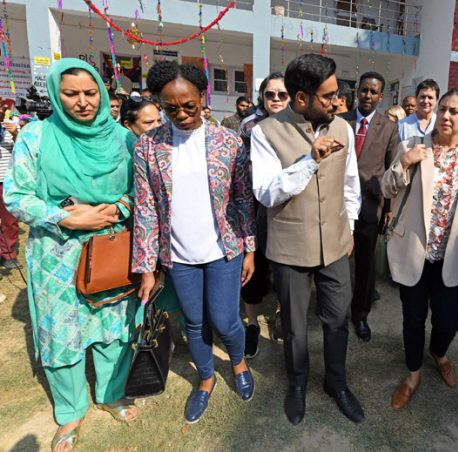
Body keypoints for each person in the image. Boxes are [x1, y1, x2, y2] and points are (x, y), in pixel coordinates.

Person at [4, 58, 139, 452]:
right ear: (56, 96)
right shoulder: (37, 136)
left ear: (102, 92)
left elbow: (141, 191)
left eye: (90, 93)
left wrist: (118, 210)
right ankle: (70, 411)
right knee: (61, 333)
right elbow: (16, 195)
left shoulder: (122, 139)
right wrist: (65, 217)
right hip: (56, 252)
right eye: (71, 94)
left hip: (111, 248)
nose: (82, 102)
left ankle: (112, 393)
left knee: (113, 324)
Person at [131, 61, 256, 424]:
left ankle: (237, 362)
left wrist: (249, 247)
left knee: (225, 319)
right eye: (171, 108)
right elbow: (145, 208)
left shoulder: (229, 141)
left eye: (189, 105)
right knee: (195, 322)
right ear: (160, 105)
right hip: (178, 255)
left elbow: (243, 198)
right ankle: (205, 377)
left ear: (203, 97)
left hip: (224, 250)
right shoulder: (148, 148)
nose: (182, 114)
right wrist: (147, 269)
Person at [250, 53, 363, 425]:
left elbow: (350, 185)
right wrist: (307, 161)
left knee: (336, 320)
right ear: (302, 98)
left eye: (337, 94)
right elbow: (266, 192)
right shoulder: (264, 133)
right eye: (328, 96)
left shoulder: (342, 128)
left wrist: (349, 226)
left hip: (334, 245)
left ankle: (337, 383)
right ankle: (297, 384)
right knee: (296, 327)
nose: (337, 102)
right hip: (288, 250)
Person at [382, 88, 458, 409]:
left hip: (452, 258)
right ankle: (413, 373)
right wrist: (403, 163)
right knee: (412, 319)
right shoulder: (413, 146)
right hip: (414, 252)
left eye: (454, 112)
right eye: (442, 110)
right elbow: (387, 186)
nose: (444, 116)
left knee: (449, 320)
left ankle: (439, 353)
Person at [340, 71, 399, 341]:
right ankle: (334, 309)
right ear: (357, 91)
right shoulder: (340, 121)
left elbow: (392, 170)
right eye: (364, 90)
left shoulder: (388, 128)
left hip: (369, 206)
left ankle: (360, 314)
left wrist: (389, 208)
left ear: (381, 96)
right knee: (336, 262)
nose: (368, 95)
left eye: (374, 92)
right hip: (337, 206)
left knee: (365, 266)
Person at [239, 72, 290, 356]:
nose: (276, 99)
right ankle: (252, 324)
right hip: (255, 208)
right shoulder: (249, 126)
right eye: (270, 94)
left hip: (287, 208)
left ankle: (281, 313)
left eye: (282, 94)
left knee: (285, 268)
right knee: (254, 271)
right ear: (262, 96)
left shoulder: (298, 125)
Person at [0, 98, 20, 269]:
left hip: (6, 180)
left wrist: (16, 134)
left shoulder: (11, 124)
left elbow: (26, 148)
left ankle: (8, 254)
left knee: (10, 220)